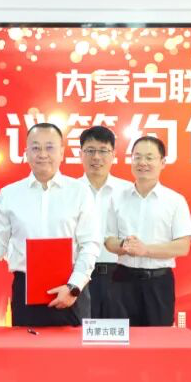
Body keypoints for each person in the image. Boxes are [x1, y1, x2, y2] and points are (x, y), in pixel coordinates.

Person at [0, 122, 101, 327]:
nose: (42, 154)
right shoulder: (10, 193)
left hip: (70, 289)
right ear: (26, 153)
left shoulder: (79, 192)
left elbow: (90, 244)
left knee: (72, 348)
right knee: (26, 346)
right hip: (25, 290)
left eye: (49, 147)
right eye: (35, 147)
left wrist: (74, 286)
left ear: (62, 152)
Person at [103, 136, 191, 326]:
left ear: (162, 162)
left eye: (149, 157)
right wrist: (123, 245)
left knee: (158, 340)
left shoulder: (175, 201)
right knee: (122, 339)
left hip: (158, 283)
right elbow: (108, 239)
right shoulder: (117, 198)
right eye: (137, 157)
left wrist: (145, 250)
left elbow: (183, 247)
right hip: (122, 280)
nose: (142, 162)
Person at [78, 125, 132, 318]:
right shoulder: (69, 191)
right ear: (80, 154)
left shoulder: (128, 191)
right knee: (79, 333)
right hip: (78, 275)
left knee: (119, 333)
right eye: (90, 151)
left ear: (113, 155)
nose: (96, 157)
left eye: (103, 151)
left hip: (119, 276)